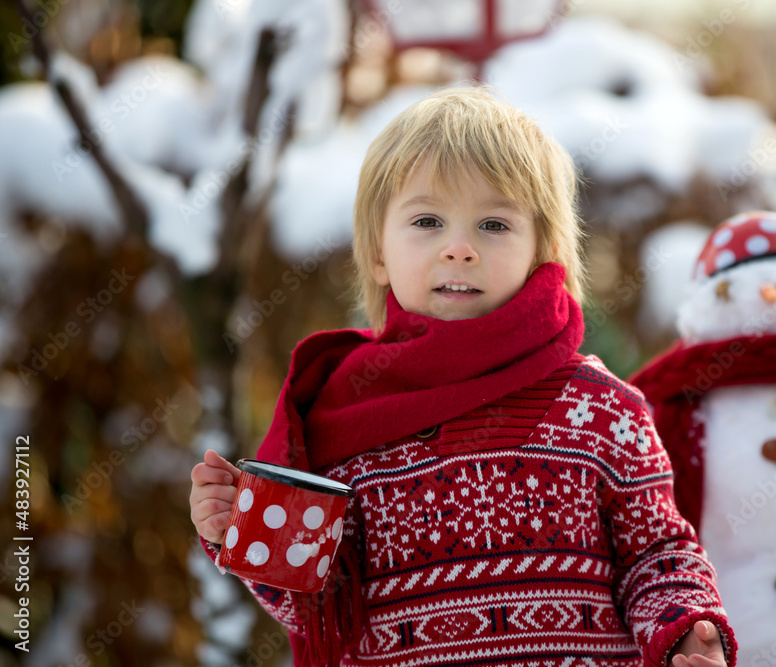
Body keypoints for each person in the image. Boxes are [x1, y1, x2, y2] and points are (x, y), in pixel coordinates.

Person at [189, 87, 736, 667]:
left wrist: (682, 629)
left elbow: (657, 551)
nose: (459, 249)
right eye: (427, 220)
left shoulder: (599, 411)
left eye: (493, 225)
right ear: (378, 252)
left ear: (542, 249)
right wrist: (239, 533)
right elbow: (320, 607)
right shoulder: (343, 415)